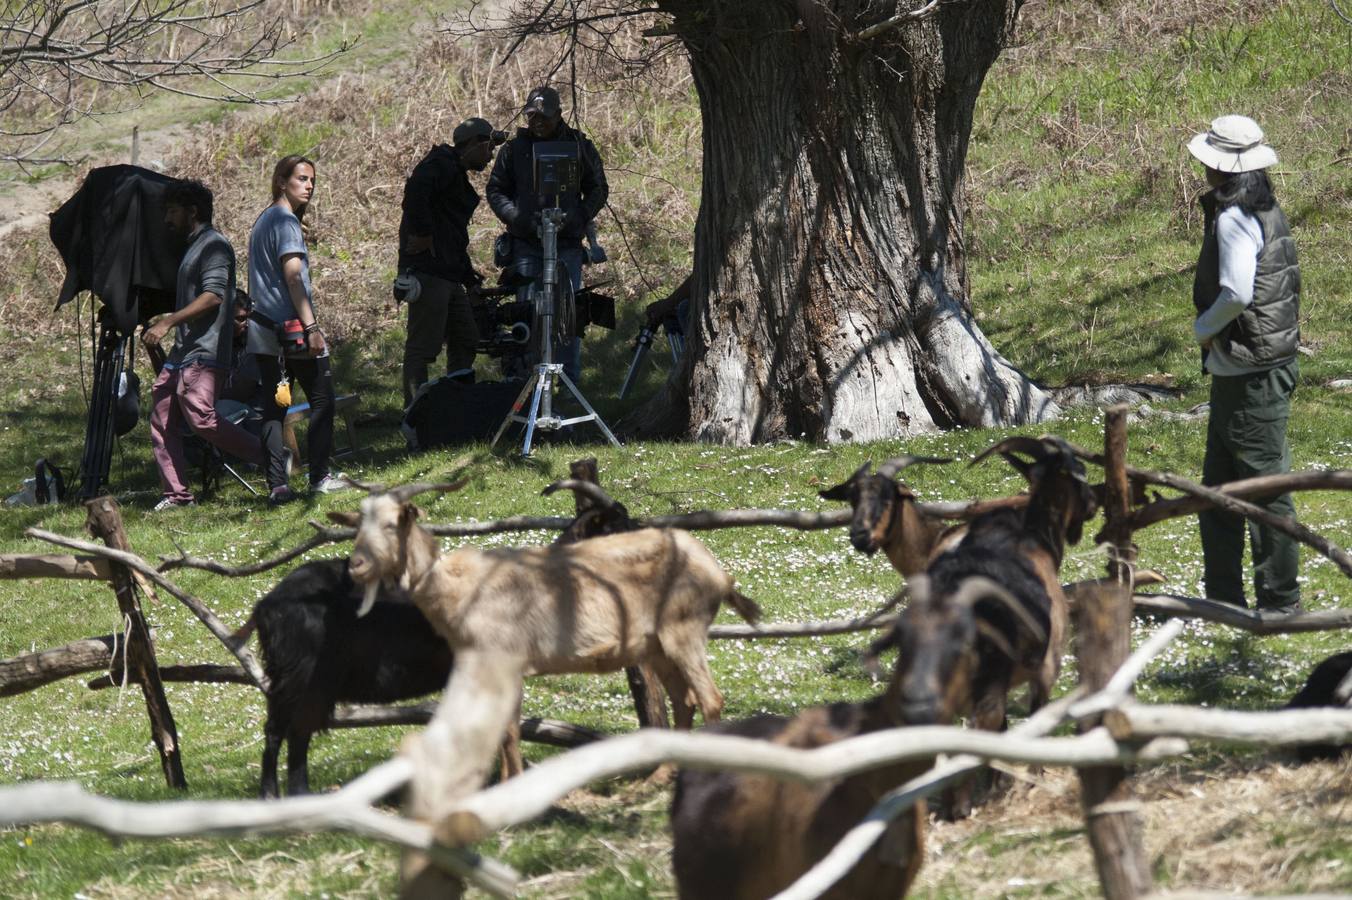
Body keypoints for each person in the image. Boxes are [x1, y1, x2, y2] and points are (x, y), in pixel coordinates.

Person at [1187, 114, 1302, 614]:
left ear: (1221, 168)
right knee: (1220, 492)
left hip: (1249, 372)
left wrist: (1203, 329)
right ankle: (1224, 600)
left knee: (1264, 493)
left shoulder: (1235, 217)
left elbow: (1236, 292)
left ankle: (1280, 602)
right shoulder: (1264, 206)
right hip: (1251, 368)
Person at [143, 179, 264, 511]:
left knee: (201, 418)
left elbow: (213, 297)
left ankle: (270, 458)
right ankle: (177, 496)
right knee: (162, 418)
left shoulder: (215, 247)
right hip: (183, 352)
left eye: (172, 211)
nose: (167, 219)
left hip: (205, 351)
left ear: (192, 211)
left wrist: (168, 322)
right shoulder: (192, 247)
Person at [487, 85, 608, 384]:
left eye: (545, 117)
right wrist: (517, 218)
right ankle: (522, 387)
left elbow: (598, 187)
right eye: (532, 116)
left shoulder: (579, 145)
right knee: (526, 316)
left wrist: (579, 217)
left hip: (566, 244)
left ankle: (568, 388)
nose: (538, 122)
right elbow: (496, 189)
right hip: (526, 244)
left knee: (567, 318)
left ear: (559, 115)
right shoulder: (513, 149)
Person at [247, 155, 346, 506]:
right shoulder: (286, 221)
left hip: (261, 330)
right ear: (281, 182)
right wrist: (313, 326)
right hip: (291, 332)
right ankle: (319, 477)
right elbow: (292, 277)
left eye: (312, 181)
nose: (309, 186)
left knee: (274, 408)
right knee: (322, 399)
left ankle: (278, 486)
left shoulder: (263, 220)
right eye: (302, 179)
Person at [397, 117, 500, 405]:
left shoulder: (453, 170)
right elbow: (416, 191)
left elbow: (453, 237)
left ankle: (456, 406)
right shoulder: (440, 163)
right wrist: (423, 233)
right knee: (422, 348)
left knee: (466, 339)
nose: (491, 155)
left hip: (449, 275)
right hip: (428, 273)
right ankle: (415, 416)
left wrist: (470, 280)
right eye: (489, 147)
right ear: (474, 143)